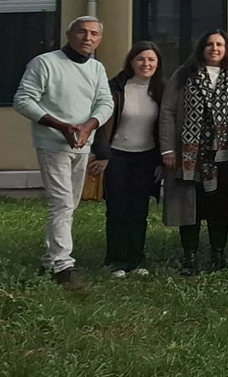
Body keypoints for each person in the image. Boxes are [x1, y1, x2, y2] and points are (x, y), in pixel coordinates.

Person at [13, 16, 114, 289]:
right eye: (81, 32)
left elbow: (105, 102)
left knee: (70, 204)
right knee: (62, 203)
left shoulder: (96, 68)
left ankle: (50, 258)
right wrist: (61, 126)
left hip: (82, 144)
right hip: (53, 144)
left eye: (94, 33)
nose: (88, 37)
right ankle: (63, 266)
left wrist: (88, 126)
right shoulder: (45, 63)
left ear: (100, 39)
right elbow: (23, 99)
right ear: (69, 34)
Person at [160, 30, 228, 276]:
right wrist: (168, 148)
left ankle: (218, 254)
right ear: (201, 47)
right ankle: (189, 256)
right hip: (190, 154)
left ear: (226, 49)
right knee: (191, 205)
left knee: (219, 205)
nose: (214, 48)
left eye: (219, 44)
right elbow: (167, 111)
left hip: (225, 155)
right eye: (209, 43)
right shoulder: (183, 75)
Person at [90, 41, 164, 278]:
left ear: (158, 63)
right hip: (117, 157)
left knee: (139, 209)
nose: (146, 64)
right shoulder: (115, 88)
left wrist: (162, 160)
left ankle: (136, 257)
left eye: (151, 59)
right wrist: (102, 154)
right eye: (141, 59)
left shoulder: (161, 90)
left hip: (147, 158)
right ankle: (116, 260)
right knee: (117, 208)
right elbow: (100, 124)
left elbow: (165, 126)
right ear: (131, 61)